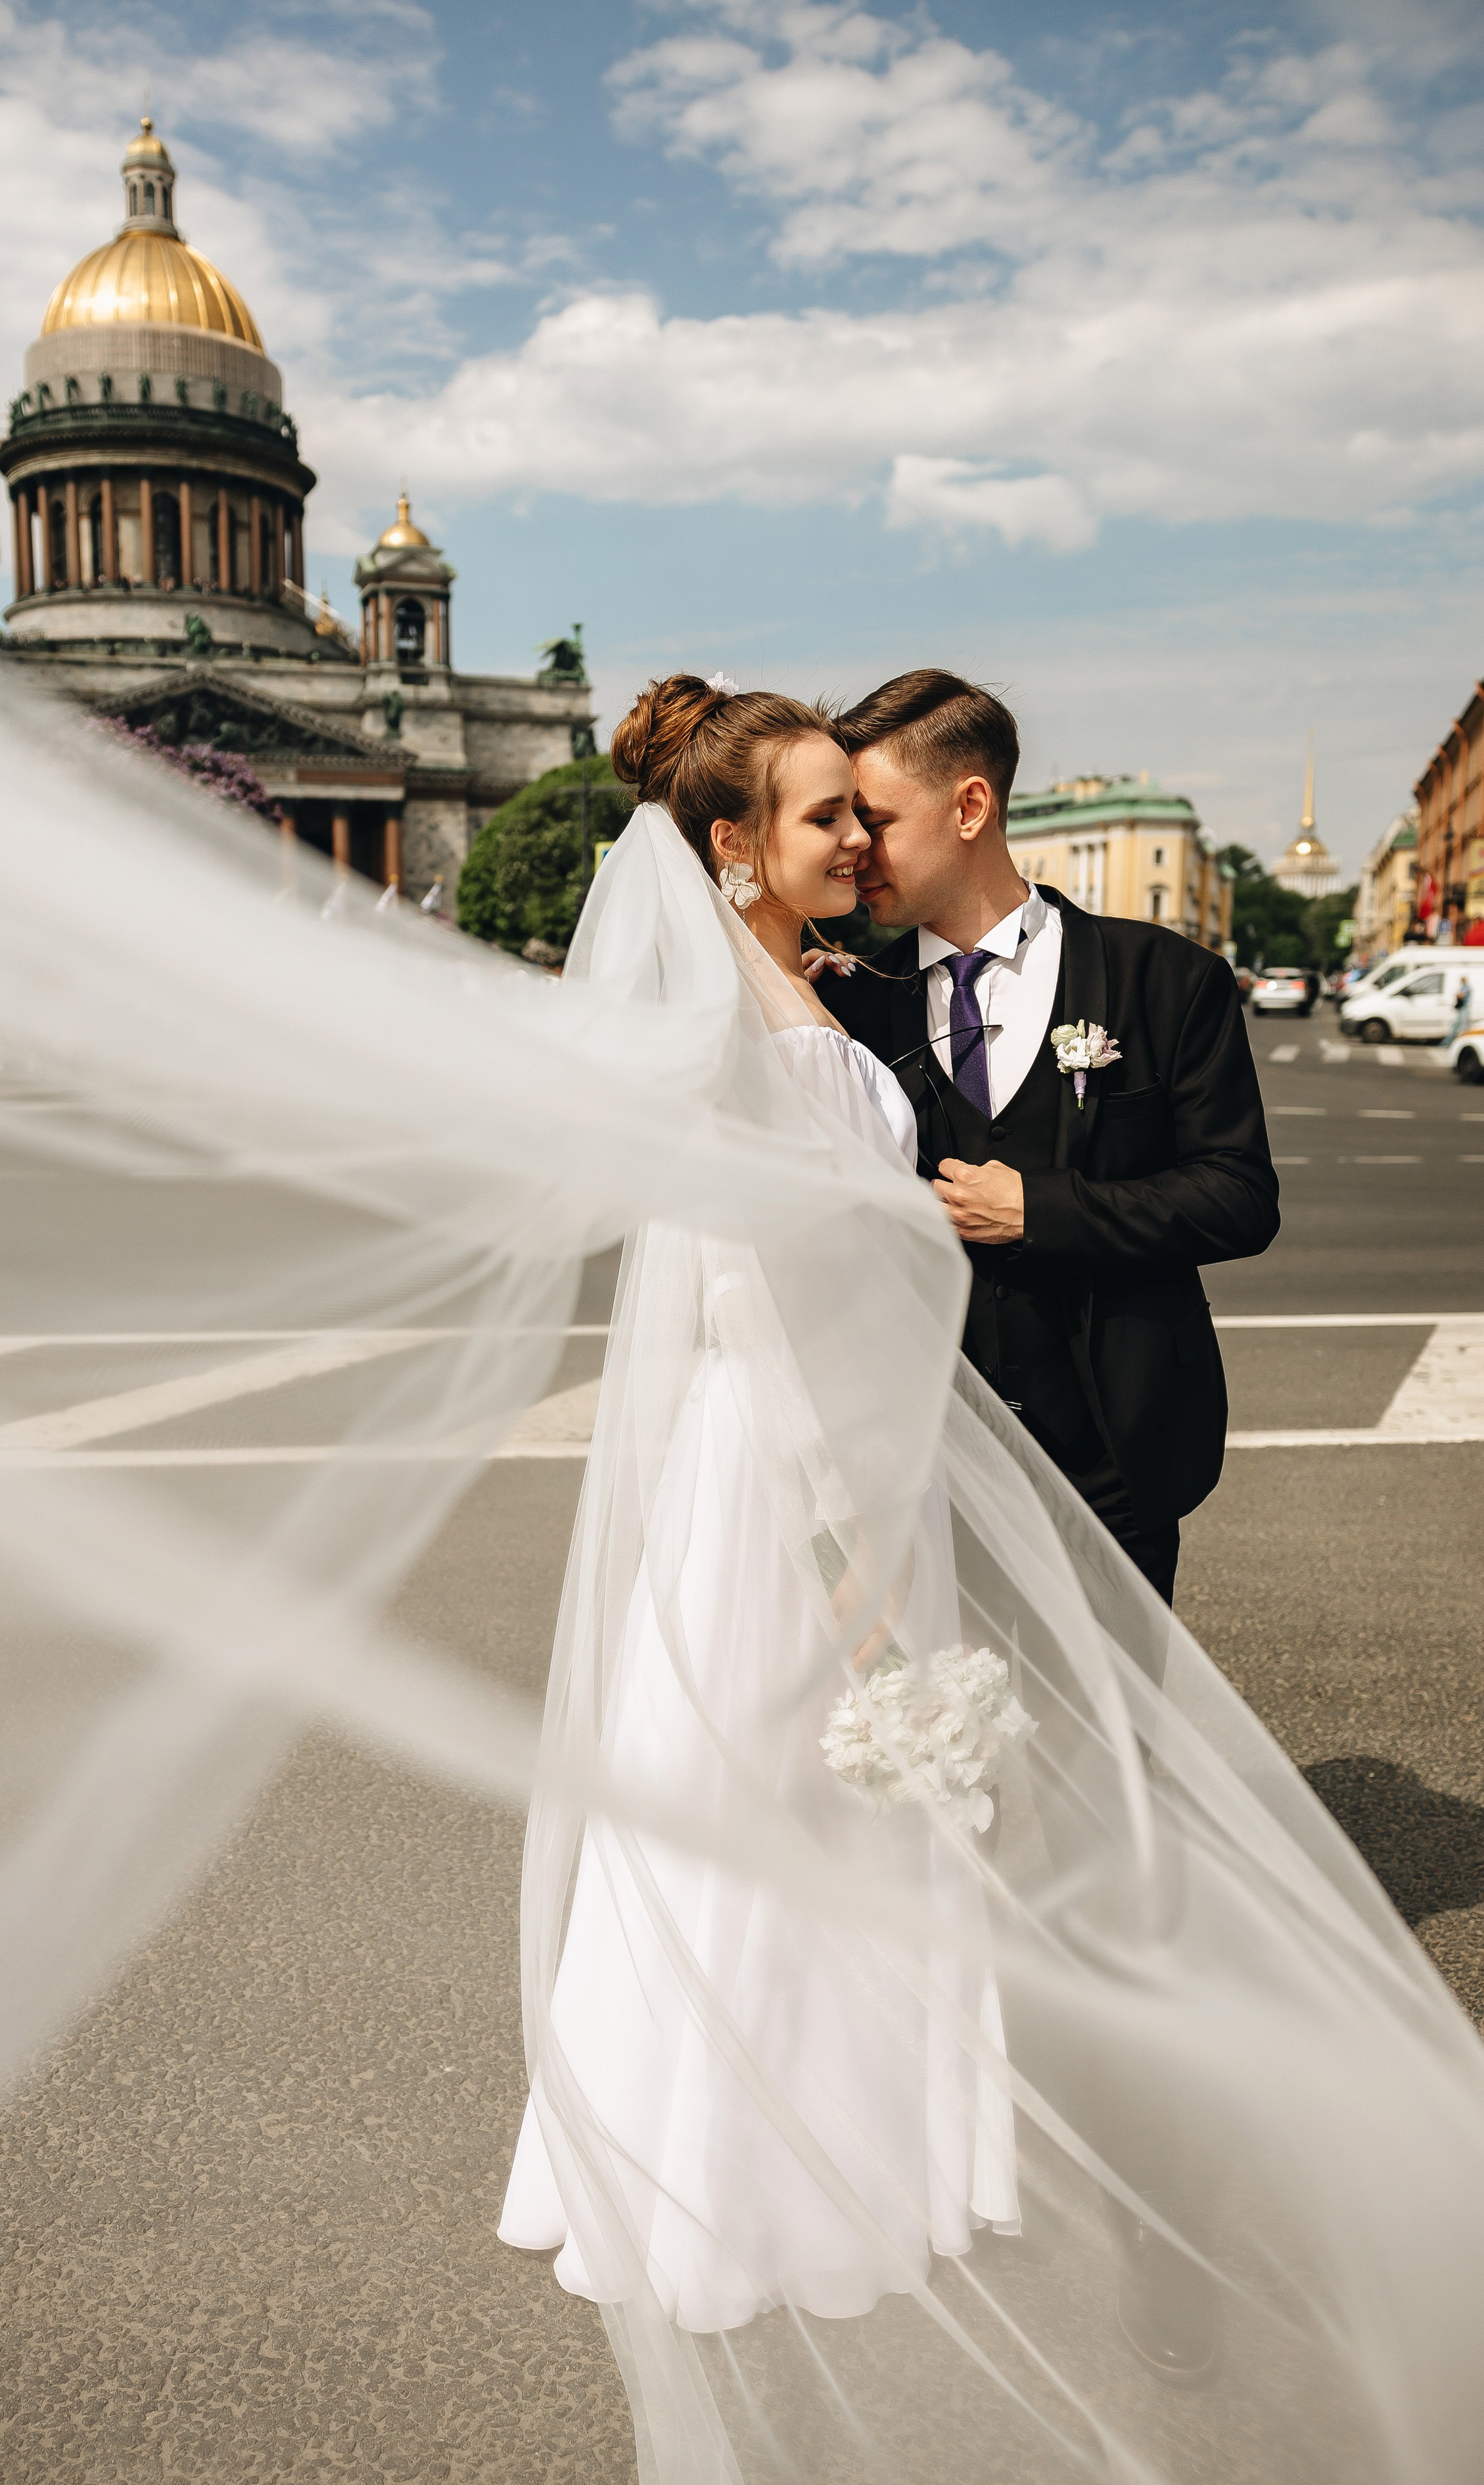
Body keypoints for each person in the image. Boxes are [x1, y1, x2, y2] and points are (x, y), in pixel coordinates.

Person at [498, 675, 1023, 2331]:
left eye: (860, 811)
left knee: (738, 1804)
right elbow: (773, 1312)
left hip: (771, 1459)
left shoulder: (773, 1008)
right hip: (805, 1471)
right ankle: (779, 2176)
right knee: (787, 1819)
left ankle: (695, 2150)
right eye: (825, 814)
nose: (858, 835)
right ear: (730, 848)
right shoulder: (783, 1052)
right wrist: (846, 1548)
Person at [819, 669, 1279, 1611]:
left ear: (970, 806)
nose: (856, 850)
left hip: (1117, 1455)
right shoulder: (847, 1003)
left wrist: (1043, 1210)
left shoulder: (1167, 980)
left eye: (876, 820)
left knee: (1111, 1750)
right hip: (924, 1466)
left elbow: (1239, 1195)